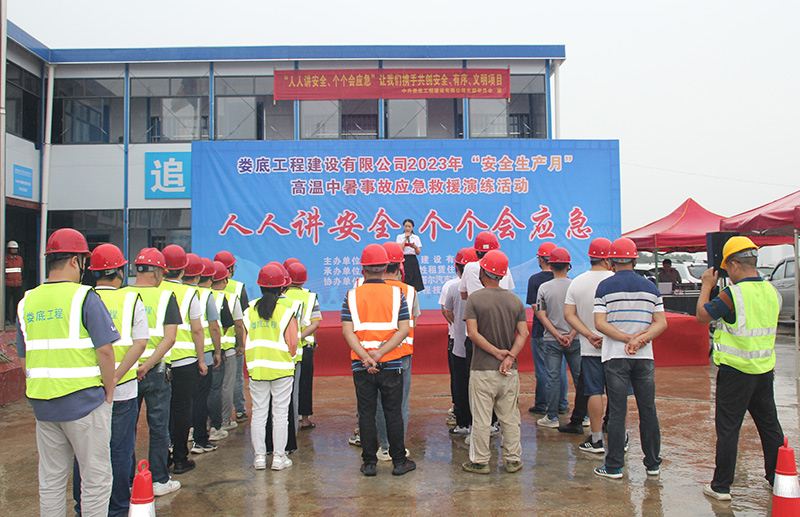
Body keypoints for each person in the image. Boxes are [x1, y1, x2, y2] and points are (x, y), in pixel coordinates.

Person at [16, 228, 119, 516]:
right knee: (96, 478)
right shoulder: (85, 297)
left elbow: (24, 356)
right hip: (85, 402)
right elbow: (105, 351)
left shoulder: (26, 301)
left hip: (44, 406)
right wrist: (109, 390)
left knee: (51, 479)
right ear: (76, 261)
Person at [696, 236, 784, 501]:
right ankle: (778, 479)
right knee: (769, 426)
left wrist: (706, 285)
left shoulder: (732, 294)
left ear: (734, 265)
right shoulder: (773, 292)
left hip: (735, 373)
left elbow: (702, 315)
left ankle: (721, 486)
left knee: (728, 429)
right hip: (764, 371)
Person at [72, 243, 147, 517]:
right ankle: (116, 507)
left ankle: (83, 507)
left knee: (85, 453)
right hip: (122, 389)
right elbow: (140, 343)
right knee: (120, 450)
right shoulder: (131, 299)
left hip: (89, 390)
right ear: (121, 271)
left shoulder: (82, 298)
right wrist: (115, 377)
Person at [593, 237, 667, 479]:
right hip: (644, 357)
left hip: (615, 356)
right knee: (648, 409)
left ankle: (614, 466)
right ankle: (653, 463)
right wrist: (639, 340)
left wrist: (626, 339)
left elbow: (600, 323)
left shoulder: (604, 287)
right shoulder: (650, 287)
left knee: (617, 411)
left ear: (611, 261)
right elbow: (661, 323)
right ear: (635, 260)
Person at [342, 244, 415, 477]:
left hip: (361, 365)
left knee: (366, 413)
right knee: (393, 412)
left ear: (362, 269)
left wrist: (366, 356)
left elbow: (347, 332)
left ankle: (369, 463)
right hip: (391, 363)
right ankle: (399, 462)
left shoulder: (351, 296)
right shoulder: (397, 295)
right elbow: (404, 330)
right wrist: (380, 353)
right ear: (385, 268)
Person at [462, 250, 528, 474]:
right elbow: (523, 333)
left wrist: (496, 353)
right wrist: (510, 356)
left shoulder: (475, 299)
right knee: (509, 417)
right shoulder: (515, 300)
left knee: (481, 418)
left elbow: (472, 333)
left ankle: (480, 461)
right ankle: (513, 459)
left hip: (482, 369)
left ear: (483, 272)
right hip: (509, 371)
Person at [128, 247, 182, 496]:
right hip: (156, 372)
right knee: (159, 427)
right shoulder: (166, 296)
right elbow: (169, 338)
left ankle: (127, 481)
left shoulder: (123, 295)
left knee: (125, 428)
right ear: (158, 272)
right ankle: (159, 480)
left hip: (126, 373)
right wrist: (148, 365)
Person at [245, 263, 299, 471]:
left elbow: (245, 338)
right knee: (280, 414)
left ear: (260, 287)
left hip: (257, 369)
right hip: (281, 369)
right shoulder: (286, 312)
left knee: (259, 413)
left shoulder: (249, 311)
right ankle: (279, 458)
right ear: (282, 288)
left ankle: (259, 458)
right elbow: (293, 344)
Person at [160, 245, 208, 475]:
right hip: (184, 361)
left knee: (161, 412)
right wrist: (201, 359)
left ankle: (162, 457)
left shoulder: (155, 291)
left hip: (159, 361)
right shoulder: (189, 294)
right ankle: (180, 458)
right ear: (183, 270)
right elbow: (197, 330)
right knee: (181, 410)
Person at [564, 238, 614, 450]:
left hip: (589, 348)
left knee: (594, 392)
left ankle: (596, 438)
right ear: (608, 259)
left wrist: (589, 334)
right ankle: (619, 436)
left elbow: (569, 314)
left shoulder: (577, 282)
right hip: (615, 347)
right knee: (616, 393)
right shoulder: (615, 280)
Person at [375, 241, 418, 461]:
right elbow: (413, 322)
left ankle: (383, 447)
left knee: (379, 401)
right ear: (400, 266)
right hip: (402, 353)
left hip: (374, 353)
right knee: (401, 401)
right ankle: (397, 447)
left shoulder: (366, 288)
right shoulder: (409, 291)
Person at [535, 247, 579, 429]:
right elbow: (581, 314)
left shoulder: (544, 287)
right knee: (579, 378)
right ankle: (583, 416)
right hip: (575, 339)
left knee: (552, 378)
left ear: (551, 266)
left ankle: (552, 416)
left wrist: (557, 334)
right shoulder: (576, 285)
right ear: (568, 266)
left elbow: (541, 314)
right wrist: (572, 333)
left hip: (552, 340)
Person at [185, 255, 223, 452]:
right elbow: (213, 327)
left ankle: (178, 439)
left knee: (180, 402)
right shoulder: (205, 295)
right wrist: (217, 351)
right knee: (200, 399)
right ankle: (200, 440)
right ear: (199, 275)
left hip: (174, 357)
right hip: (202, 356)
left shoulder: (167, 292)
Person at [525, 241, 568, 416]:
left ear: (542, 260)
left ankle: (543, 404)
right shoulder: (568, 282)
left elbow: (535, 308)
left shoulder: (535, 280)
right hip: (564, 331)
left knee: (543, 370)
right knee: (561, 369)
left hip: (541, 331)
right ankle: (562, 403)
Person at [440, 247, 477, 429]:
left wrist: (457, 326)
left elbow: (446, 311)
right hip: (481, 345)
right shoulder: (483, 287)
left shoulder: (452, 286)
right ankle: (489, 423)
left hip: (458, 341)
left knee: (460, 382)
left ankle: (462, 421)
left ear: (456, 267)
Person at [284, 262, 322, 430]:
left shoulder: (282, 296)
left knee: (286, 385)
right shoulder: (310, 297)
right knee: (305, 383)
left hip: (285, 347)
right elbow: (315, 323)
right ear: (304, 280)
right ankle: (304, 420)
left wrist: (292, 338)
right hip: (305, 347)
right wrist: (300, 337)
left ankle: (287, 419)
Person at [209, 260, 245, 437]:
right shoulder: (231, 298)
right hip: (228, 349)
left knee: (210, 387)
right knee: (226, 386)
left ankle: (207, 421)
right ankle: (224, 420)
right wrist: (241, 345)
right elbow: (239, 325)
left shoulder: (202, 296)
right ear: (225, 279)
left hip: (208, 349)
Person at [215, 250, 250, 423]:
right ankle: (239, 411)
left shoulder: (204, 287)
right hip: (232, 343)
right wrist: (242, 344)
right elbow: (243, 320)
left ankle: (213, 416)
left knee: (214, 384)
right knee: (235, 379)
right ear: (229, 269)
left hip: (211, 344)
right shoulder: (238, 288)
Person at [397, 219, 425, 292]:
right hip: (403, 259)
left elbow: (418, 252)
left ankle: (414, 294)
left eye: (409, 226)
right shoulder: (400, 237)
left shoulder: (416, 237)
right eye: (406, 226)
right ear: (403, 227)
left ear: (412, 227)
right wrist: (406, 239)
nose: (407, 228)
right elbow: (400, 249)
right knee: (404, 278)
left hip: (412, 259)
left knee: (414, 280)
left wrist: (415, 247)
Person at [5, 240, 23, 326]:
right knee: (7, 303)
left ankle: (15, 319)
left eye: (15, 248)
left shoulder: (19, 259)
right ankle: (7, 319)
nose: (14, 250)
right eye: (12, 248)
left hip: (17, 284)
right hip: (8, 284)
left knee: (17, 303)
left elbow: (21, 269)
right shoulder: (5, 259)